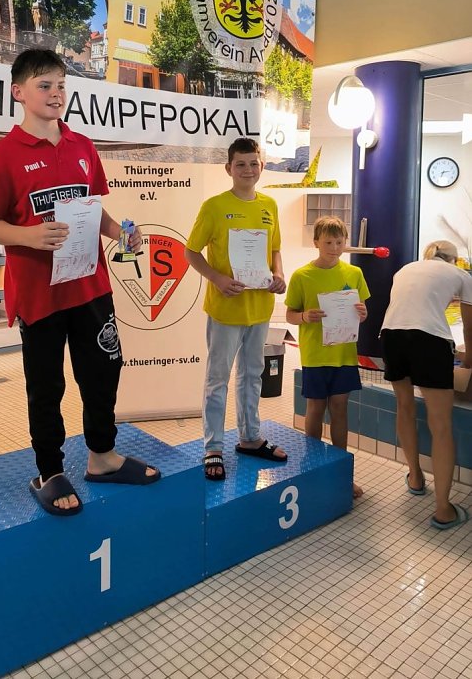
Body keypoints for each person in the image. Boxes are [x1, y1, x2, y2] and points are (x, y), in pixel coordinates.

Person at [0, 48, 159, 516]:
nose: (56, 93)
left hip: (91, 286)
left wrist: (121, 233)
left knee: (103, 373)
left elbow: (93, 208)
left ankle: (102, 457)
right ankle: (50, 470)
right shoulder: (4, 155)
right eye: (44, 85)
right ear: (18, 92)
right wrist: (29, 236)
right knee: (47, 386)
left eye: (61, 85)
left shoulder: (81, 147)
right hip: (39, 295)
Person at [184, 137, 288, 481]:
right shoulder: (214, 207)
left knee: (252, 375)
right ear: (229, 168)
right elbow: (191, 252)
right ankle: (213, 446)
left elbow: (274, 250)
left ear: (261, 166)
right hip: (226, 309)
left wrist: (279, 274)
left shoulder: (269, 206)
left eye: (253, 163)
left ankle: (249, 437)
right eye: (240, 164)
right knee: (217, 380)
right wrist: (216, 278)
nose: (248, 170)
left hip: (259, 307)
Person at [380, 239, 472, 530]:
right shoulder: (462, 276)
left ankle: (416, 477)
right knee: (441, 424)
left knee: (404, 407)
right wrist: (468, 362)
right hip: (430, 341)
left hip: (391, 335)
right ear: (454, 260)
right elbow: (469, 327)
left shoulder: (405, 269)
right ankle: (444, 510)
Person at [285, 216, 369, 498]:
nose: (334, 248)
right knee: (315, 409)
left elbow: (362, 310)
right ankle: (312, 471)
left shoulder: (353, 273)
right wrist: (304, 316)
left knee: (341, 409)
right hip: (316, 354)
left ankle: (341, 474)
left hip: (344, 352)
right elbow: (290, 315)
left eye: (339, 242)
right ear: (316, 243)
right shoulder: (302, 276)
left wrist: (363, 313)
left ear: (345, 243)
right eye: (328, 242)